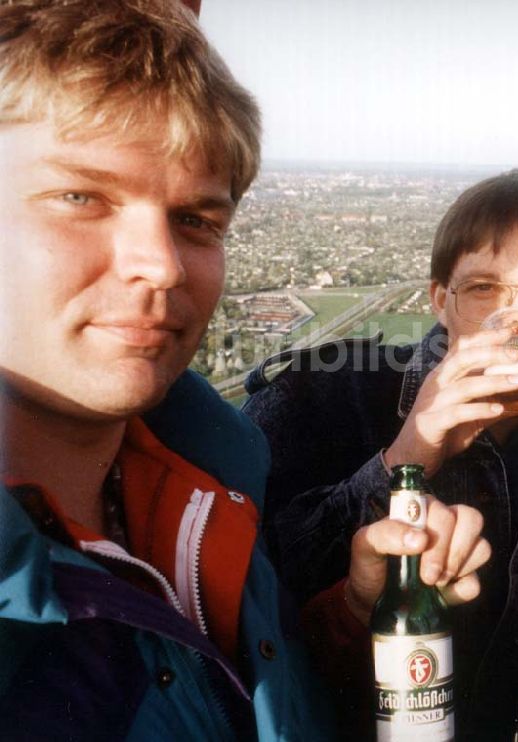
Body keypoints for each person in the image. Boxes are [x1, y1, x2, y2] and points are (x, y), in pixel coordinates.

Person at [0, 1, 488, 738]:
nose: (160, 265)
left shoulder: (204, 482)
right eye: (81, 197)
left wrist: (353, 618)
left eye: (196, 220)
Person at [243, 169, 518, 738]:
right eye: (484, 290)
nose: (514, 319)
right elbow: (256, 596)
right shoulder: (328, 397)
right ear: (440, 302)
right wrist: (410, 452)